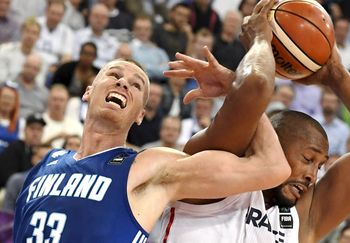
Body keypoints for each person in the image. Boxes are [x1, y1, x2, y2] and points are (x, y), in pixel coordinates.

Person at [13, 1, 290, 241]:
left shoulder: (149, 168)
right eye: (114, 75)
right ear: (88, 91)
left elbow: (272, 167)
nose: (123, 82)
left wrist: (233, 83)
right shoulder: (46, 164)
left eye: (136, 85)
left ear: (140, 115)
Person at [150, 4, 350, 242]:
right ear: (271, 142)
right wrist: (261, 40)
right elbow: (256, 86)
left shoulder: (302, 218)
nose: (312, 176)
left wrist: (337, 75)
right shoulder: (214, 169)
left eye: (319, 166)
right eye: (308, 159)